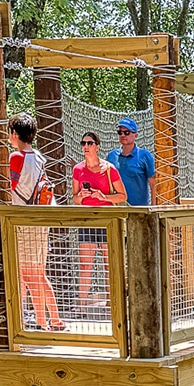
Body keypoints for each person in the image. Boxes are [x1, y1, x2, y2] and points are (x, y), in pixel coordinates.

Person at [8, 115, 63, 331]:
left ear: (14, 133)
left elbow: (8, 187)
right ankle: (54, 319)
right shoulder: (39, 157)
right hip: (40, 220)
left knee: (28, 275)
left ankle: (41, 323)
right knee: (37, 273)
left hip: (25, 223)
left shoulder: (16, 158)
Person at [71, 131, 125, 313]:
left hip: (107, 219)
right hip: (87, 220)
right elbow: (75, 199)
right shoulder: (78, 170)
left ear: (97, 146)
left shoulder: (109, 169)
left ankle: (113, 303)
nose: (85, 146)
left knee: (109, 263)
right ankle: (81, 306)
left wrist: (104, 196)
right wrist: (81, 195)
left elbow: (122, 196)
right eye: (83, 143)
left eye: (89, 143)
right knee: (86, 264)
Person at [107, 116, 157, 206]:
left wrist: (153, 208)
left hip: (139, 210)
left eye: (126, 132)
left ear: (135, 135)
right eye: (120, 132)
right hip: (116, 209)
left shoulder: (145, 156)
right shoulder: (111, 156)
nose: (122, 135)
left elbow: (153, 184)